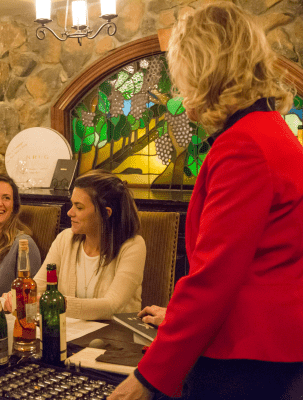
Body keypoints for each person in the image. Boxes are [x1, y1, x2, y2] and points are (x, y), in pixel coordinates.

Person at [109, 3, 303, 399]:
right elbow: (261, 265)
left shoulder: (244, 145)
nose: (180, 90)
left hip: (248, 363)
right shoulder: (272, 131)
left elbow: (214, 278)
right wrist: (177, 318)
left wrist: (148, 378)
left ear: (203, 69)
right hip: (274, 348)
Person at [31, 169, 145, 321]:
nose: (70, 213)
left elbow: (112, 306)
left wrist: (60, 304)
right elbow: (37, 287)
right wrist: (19, 295)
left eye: (79, 207)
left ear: (106, 213)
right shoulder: (65, 239)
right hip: (72, 335)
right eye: (72, 205)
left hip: (117, 339)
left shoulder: (133, 246)